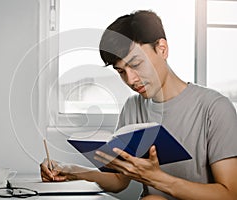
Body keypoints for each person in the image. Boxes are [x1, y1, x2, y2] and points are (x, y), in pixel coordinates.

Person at [40, 10, 237, 199]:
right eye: (121, 71)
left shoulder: (215, 108)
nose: (131, 79)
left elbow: (230, 194)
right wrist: (71, 171)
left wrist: (158, 180)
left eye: (136, 64)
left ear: (162, 49)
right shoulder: (133, 107)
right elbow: (119, 180)